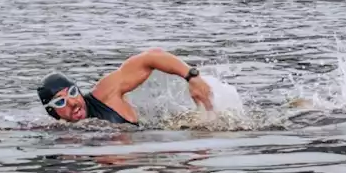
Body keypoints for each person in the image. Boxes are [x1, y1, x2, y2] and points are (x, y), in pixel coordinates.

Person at [37, 48, 214, 125]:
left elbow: (150, 57)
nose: (73, 103)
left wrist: (192, 77)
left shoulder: (106, 95)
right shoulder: (61, 133)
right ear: (52, 113)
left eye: (73, 92)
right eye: (60, 102)